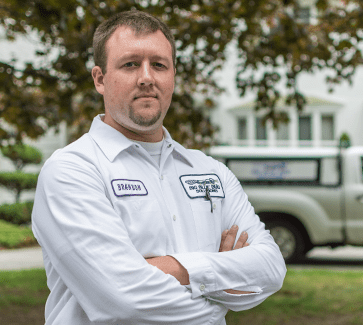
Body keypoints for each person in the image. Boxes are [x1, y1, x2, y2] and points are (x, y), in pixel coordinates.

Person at [31, 9, 287, 325]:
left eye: (159, 65)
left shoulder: (210, 172)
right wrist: (217, 295)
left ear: (172, 76)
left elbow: (271, 267)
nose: (147, 77)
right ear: (100, 79)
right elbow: (124, 299)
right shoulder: (73, 171)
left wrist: (170, 268)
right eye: (129, 64)